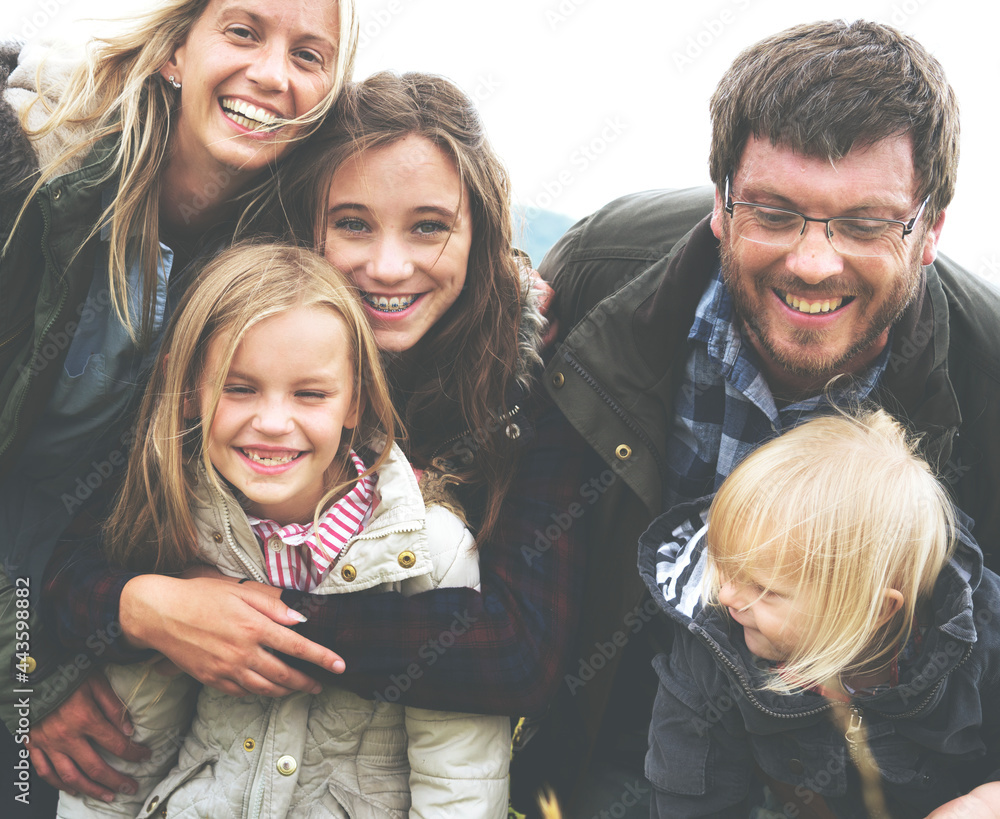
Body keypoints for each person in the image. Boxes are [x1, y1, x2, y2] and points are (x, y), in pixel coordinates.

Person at [37, 71, 588, 810]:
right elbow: (68, 553)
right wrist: (137, 616)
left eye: (428, 226)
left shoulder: (526, 389)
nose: (388, 267)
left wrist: (239, 617)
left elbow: (516, 650)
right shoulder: (230, 347)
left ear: (480, 228)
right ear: (306, 224)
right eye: (353, 224)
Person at [514, 18, 1000, 817]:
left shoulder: (985, 370)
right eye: (774, 212)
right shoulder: (607, 270)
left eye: (865, 223)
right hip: (618, 749)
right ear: (721, 203)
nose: (813, 260)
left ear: (930, 230)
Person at [0, 0, 359, 807]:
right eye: (242, 31)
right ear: (174, 52)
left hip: (64, 594)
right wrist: (30, 680)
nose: (271, 75)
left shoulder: (264, 240)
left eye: (309, 55)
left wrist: (509, 302)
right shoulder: (28, 178)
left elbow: (414, 184)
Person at [57, 242, 510, 818]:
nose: (273, 423)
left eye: (310, 394)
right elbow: (129, 753)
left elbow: (460, 783)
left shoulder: (430, 550)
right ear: (193, 391)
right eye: (239, 387)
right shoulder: (179, 524)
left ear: (356, 402)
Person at [640, 409, 1000, 817]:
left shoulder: (981, 635)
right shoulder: (713, 647)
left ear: (873, 609)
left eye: (765, 589)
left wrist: (983, 803)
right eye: (727, 566)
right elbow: (688, 793)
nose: (727, 595)